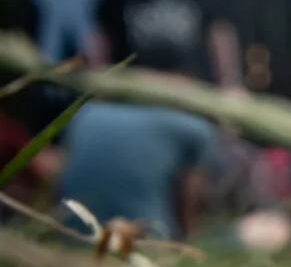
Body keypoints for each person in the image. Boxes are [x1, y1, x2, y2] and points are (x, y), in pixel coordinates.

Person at [53, 102, 221, 242]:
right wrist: (188, 241)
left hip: (72, 235)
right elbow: (190, 198)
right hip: (146, 240)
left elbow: (59, 176)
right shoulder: (195, 128)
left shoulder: (86, 113)